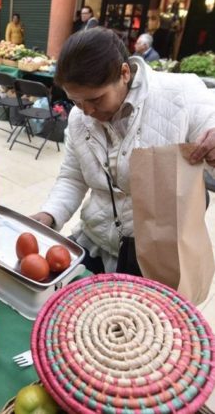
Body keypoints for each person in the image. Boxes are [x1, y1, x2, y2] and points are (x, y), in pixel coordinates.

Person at [32, 27, 215, 275]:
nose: (86, 111)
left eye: (96, 100)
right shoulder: (79, 118)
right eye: (76, 101)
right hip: (95, 241)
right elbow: (73, 176)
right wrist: (50, 214)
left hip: (155, 256)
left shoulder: (181, 95)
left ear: (125, 73)